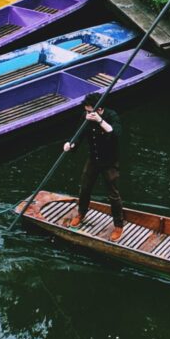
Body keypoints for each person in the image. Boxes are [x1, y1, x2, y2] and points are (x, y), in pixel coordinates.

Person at [62, 92, 125, 240]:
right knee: (84, 187)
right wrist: (71, 144)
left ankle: (118, 225)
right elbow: (79, 134)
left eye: (91, 111)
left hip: (109, 161)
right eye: (87, 111)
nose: (88, 114)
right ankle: (81, 213)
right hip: (93, 159)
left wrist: (100, 121)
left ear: (100, 109)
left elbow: (116, 133)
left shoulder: (111, 115)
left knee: (113, 193)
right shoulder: (86, 116)